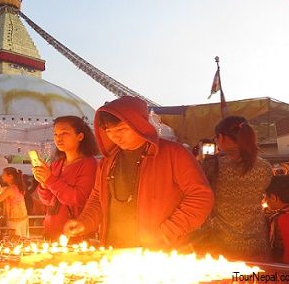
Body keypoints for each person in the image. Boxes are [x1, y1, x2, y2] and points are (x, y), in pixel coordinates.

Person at [63, 96, 214, 249]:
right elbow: (98, 197)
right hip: (114, 249)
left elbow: (200, 197)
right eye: (109, 131)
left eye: (121, 129)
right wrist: (84, 222)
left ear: (139, 125)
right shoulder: (108, 161)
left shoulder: (174, 153)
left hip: (160, 252)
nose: (115, 136)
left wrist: (168, 231)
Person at [199, 116, 272, 261]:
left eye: (216, 138)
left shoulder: (211, 165)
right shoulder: (265, 167)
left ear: (222, 137)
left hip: (222, 245)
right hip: (256, 242)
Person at [32, 115, 98, 241]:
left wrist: (50, 180)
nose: (58, 138)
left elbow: (78, 198)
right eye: (55, 134)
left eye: (64, 133)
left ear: (80, 136)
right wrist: (43, 184)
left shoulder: (89, 164)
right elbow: (48, 201)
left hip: (73, 233)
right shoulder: (57, 164)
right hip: (50, 231)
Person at [0, 167, 29, 237]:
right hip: (22, 218)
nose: (2, 176)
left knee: (14, 240)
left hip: (14, 220)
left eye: (3, 174)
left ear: (10, 176)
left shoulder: (10, 189)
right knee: (22, 240)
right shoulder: (18, 187)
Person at [264, 175, 289, 265]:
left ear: (273, 197)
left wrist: (285, 273)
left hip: (286, 271)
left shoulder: (285, 219)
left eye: (265, 197)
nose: (265, 201)